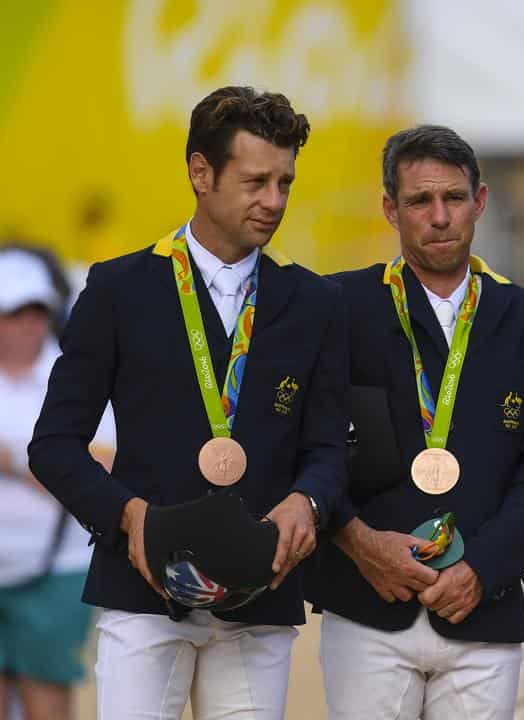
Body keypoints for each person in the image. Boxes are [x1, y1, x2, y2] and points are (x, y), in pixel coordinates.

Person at [27, 86, 349, 720]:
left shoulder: (314, 303)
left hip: (262, 590)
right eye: (256, 181)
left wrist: (306, 501)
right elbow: (54, 445)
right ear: (201, 172)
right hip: (143, 592)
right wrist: (129, 517)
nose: (274, 201)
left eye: (285, 183)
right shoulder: (118, 289)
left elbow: (328, 446)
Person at [307, 124, 524, 719]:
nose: (440, 216)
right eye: (420, 201)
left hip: (482, 604)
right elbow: (311, 447)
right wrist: (361, 544)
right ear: (389, 210)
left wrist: (484, 567)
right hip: (367, 601)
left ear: (480, 200)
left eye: (453, 198)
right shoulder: (337, 309)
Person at [0, 245, 114, 720]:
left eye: (36, 311)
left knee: (47, 702)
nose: (28, 324)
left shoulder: (75, 376)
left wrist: (12, 460)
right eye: (14, 312)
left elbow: (104, 473)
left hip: (55, 569)